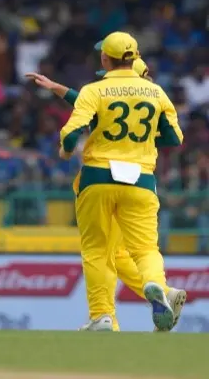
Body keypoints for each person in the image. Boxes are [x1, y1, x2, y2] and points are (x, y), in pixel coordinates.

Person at [26, 57, 187, 332]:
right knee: (125, 255)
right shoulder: (152, 98)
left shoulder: (111, 95)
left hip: (101, 182)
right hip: (139, 184)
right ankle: (162, 291)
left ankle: (105, 316)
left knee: (102, 253)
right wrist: (57, 88)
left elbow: (93, 104)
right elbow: (172, 137)